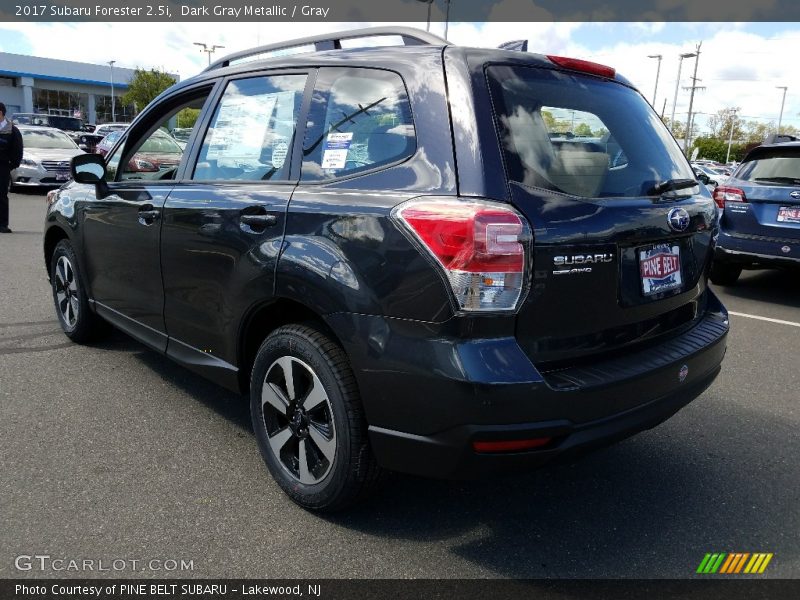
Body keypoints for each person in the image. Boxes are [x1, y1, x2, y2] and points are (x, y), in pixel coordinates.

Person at [0, 102, 23, 233]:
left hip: (2, 167)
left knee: (1, 196)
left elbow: (17, 150)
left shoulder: (12, 130)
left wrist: (11, 165)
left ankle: (3, 224)